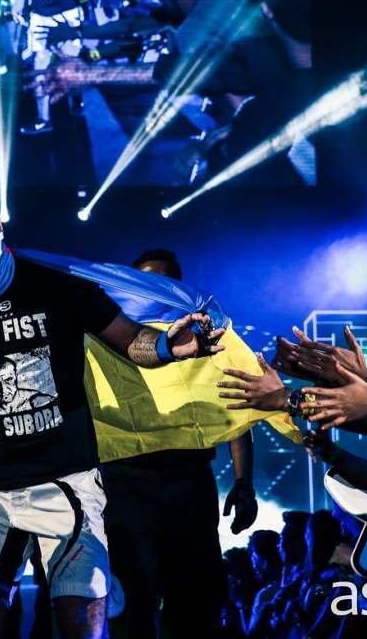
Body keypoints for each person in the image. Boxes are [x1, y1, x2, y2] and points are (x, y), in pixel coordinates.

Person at [0, 189, 225, 639]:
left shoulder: (58, 285)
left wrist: (168, 346)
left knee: (81, 622)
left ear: (0, 228)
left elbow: (131, 341)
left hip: (65, 481)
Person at [103, 247, 257, 638]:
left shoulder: (206, 335)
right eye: (145, 279)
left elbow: (233, 409)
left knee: (193, 596)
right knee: (132, 594)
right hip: (126, 481)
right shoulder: (108, 336)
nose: (156, 287)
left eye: (165, 278)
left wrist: (244, 481)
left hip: (189, 480)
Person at [16, 0, 93, 135]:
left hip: (67, 13)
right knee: (39, 65)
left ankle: (76, 96)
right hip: (40, 15)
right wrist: (19, 5)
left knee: (69, 62)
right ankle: (43, 119)